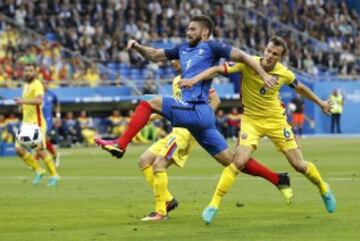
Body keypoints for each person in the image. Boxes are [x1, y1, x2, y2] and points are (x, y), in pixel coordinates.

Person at [95, 15, 286, 220]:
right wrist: (138, 48)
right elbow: (155, 55)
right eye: (188, 28)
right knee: (231, 160)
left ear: (204, 32)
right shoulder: (182, 49)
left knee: (148, 100)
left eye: (193, 29)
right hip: (198, 118)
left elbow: (245, 57)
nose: (188, 32)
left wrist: (264, 75)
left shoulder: (212, 47)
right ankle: (278, 179)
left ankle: (121, 145)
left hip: (197, 109)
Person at [180, 36, 336, 224]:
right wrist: (193, 80)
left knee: (299, 165)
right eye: (269, 51)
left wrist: (320, 104)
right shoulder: (248, 63)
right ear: (265, 49)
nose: (270, 56)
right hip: (251, 121)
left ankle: (323, 187)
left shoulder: (283, 72)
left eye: (275, 54)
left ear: (280, 57)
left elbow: (300, 88)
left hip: (276, 121)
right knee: (239, 162)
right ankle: (213, 205)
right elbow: (216, 69)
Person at [138, 60, 292, 221]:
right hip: (178, 130)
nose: (172, 62)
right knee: (144, 161)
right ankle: (277, 178)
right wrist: (156, 115)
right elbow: (178, 107)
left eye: (175, 58)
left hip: (187, 131)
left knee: (158, 164)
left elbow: (215, 100)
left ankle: (160, 211)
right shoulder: (177, 81)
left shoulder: (196, 77)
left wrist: (200, 118)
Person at [14, 63, 59, 186]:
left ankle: (55, 176)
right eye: (26, 70)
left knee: (40, 150)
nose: (27, 73)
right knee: (18, 149)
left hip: (36, 123)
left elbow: (39, 101)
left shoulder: (37, 84)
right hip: (26, 122)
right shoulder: (26, 85)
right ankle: (39, 171)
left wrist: (23, 101)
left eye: (30, 71)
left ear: (35, 72)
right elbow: (28, 102)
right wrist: (21, 106)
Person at [42, 80, 61, 167]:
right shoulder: (37, 94)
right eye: (42, 83)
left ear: (48, 84)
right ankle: (55, 155)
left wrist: (57, 116)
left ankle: (35, 159)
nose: (43, 85)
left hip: (48, 119)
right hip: (37, 119)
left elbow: (57, 104)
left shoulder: (52, 94)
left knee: (43, 137)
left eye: (45, 83)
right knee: (42, 140)